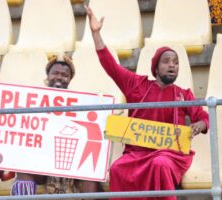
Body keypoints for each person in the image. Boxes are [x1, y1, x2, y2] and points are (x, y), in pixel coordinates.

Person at [84, 5, 209, 200]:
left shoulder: (183, 94)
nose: (172, 66)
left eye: (175, 63)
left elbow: (202, 116)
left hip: (169, 154)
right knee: (117, 168)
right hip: (136, 153)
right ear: (156, 68)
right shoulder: (136, 84)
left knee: (160, 164)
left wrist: (200, 124)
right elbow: (110, 65)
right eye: (167, 61)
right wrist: (96, 34)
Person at [12, 54, 102, 199]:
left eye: (65, 75)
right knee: (23, 168)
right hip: (41, 162)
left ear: (70, 79)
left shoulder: (80, 104)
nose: (59, 77)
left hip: (70, 160)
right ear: (48, 75)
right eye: (55, 73)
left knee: (91, 171)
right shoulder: (32, 101)